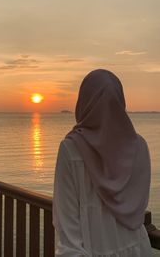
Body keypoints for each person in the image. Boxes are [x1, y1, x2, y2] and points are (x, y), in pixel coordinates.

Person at [53, 69, 152, 257]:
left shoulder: (71, 149)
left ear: (84, 103)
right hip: (139, 248)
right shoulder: (140, 146)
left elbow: (67, 231)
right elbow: (138, 206)